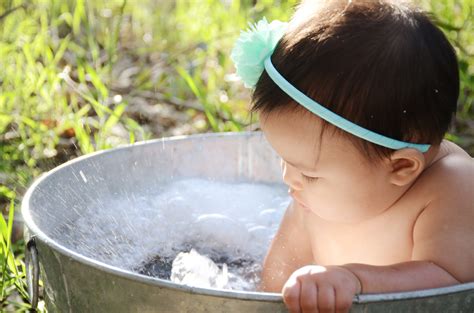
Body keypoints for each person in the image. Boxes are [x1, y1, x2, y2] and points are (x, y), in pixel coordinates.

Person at [231, 0, 474, 312]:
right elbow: (274, 283)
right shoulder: (312, 200)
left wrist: (355, 279)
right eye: (285, 160)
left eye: (309, 173)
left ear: (400, 167)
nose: (289, 179)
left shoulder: (453, 187)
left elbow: (454, 282)